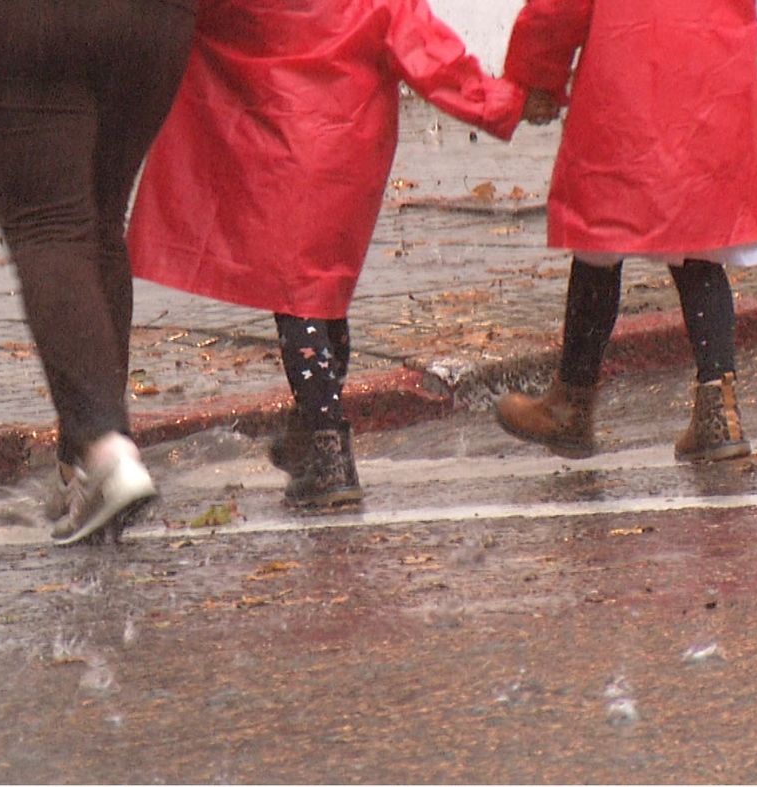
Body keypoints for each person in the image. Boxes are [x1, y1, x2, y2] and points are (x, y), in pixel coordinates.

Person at [128, 0, 527, 510]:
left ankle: (327, 449)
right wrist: (504, 101)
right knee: (321, 293)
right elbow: (426, 49)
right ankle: (309, 434)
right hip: (348, 146)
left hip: (276, 136)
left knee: (299, 301)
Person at [0, 0, 198, 545]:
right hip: (150, 22)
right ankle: (80, 466)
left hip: (23, 22)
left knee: (50, 227)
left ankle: (104, 449)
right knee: (99, 221)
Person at [494, 0, 757, 462]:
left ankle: (571, 405)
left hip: (629, 75)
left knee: (600, 237)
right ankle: (720, 414)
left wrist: (534, 79)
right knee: (698, 240)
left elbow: (557, 8)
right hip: (712, 72)